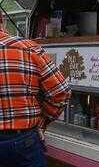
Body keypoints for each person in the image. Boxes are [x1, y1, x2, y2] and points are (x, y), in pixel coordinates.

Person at [0, 23, 71, 167]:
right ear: (3, 21)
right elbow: (61, 92)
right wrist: (43, 121)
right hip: (24, 141)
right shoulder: (29, 48)